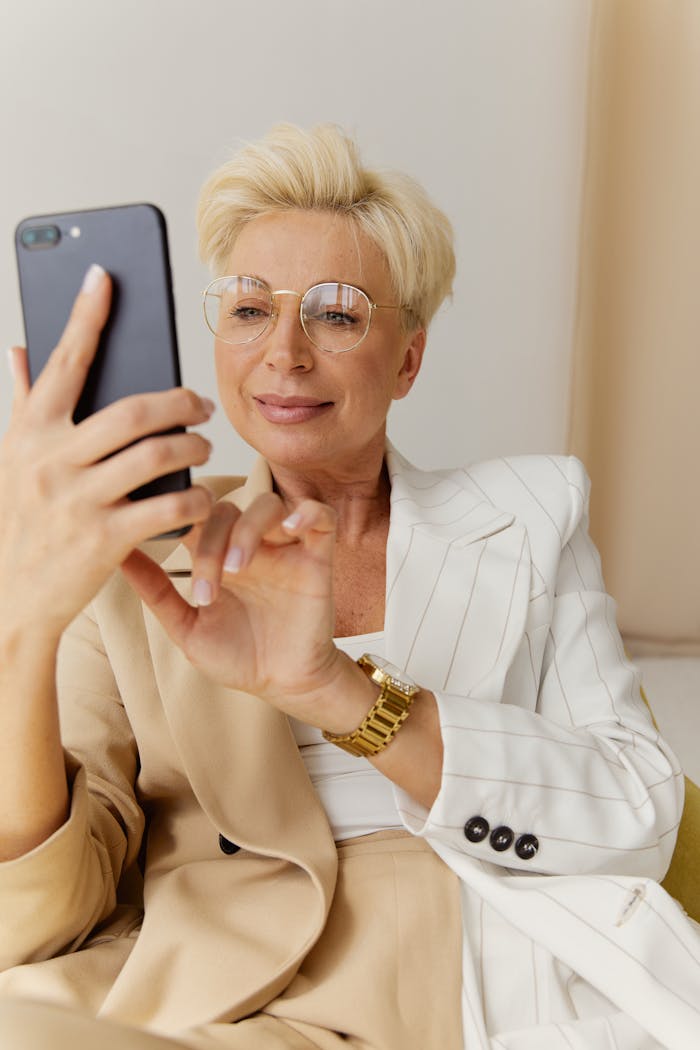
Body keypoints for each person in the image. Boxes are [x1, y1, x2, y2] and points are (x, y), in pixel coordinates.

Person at [0, 124, 698, 1050]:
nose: (284, 352)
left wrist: (336, 691)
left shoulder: (527, 516)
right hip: (223, 994)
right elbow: (44, 914)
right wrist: (23, 626)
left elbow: (642, 811)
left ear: (407, 358)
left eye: (336, 312)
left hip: (475, 974)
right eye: (250, 309)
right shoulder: (131, 553)